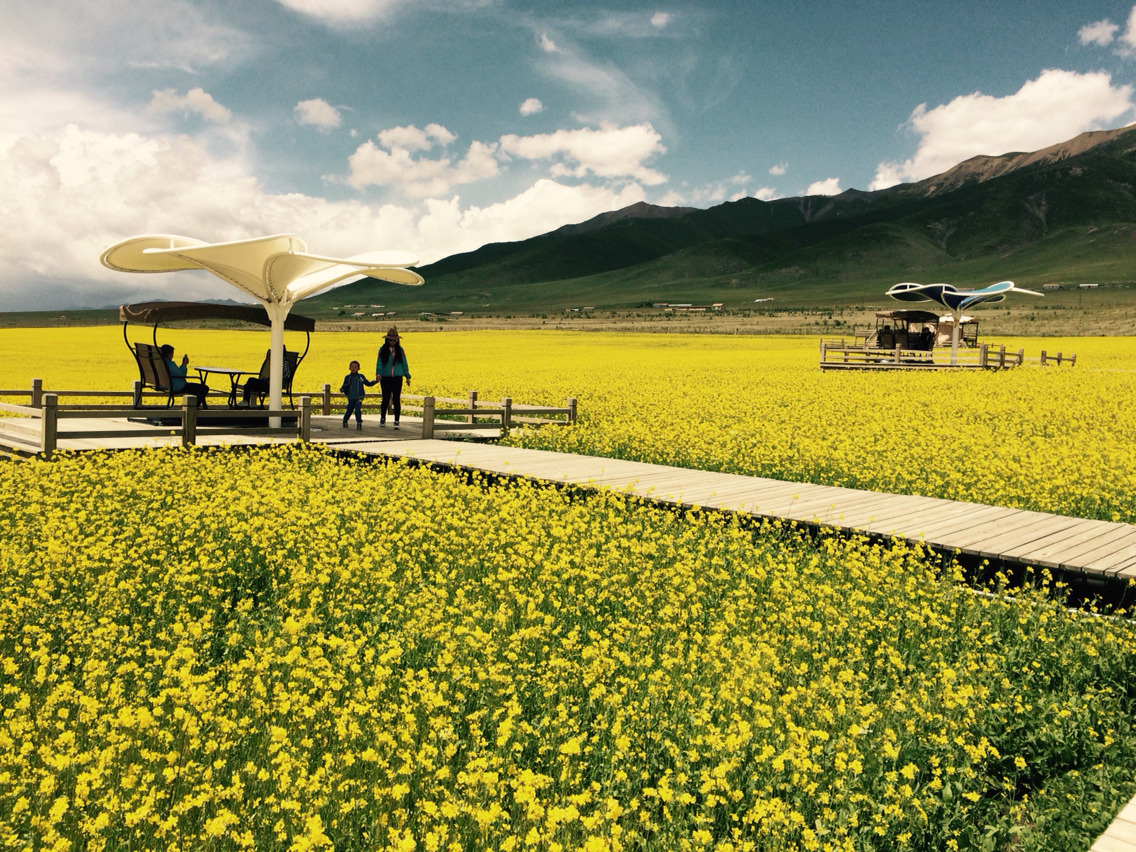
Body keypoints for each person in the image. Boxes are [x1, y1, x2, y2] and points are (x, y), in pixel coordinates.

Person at [375, 327, 410, 429]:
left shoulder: (400, 350)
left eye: (395, 340)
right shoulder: (382, 349)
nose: (393, 342)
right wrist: (378, 374)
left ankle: (396, 421)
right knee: (385, 398)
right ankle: (382, 418)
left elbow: (404, 363)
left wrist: (407, 376)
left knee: (396, 399)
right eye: (390, 340)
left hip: (397, 378)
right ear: (387, 340)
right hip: (385, 378)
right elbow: (379, 363)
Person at [340, 360, 376, 430]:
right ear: (349, 368)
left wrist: (375, 381)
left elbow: (367, 383)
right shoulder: (347, 377)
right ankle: (345, 420)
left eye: (355, 367)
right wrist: (342, 389)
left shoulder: (361, 377)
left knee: (357, 410)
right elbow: (344, 385)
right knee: (349, 409)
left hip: (359, 396)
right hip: (351, 396)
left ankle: (359, 423)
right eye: (352, 367)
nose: (353, 368)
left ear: (358, 368)